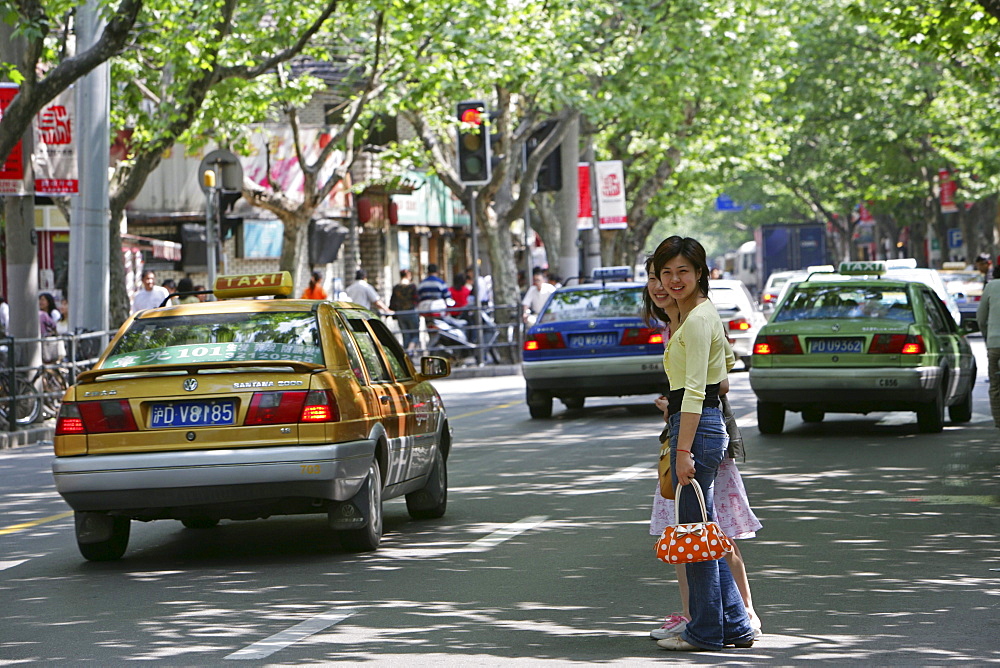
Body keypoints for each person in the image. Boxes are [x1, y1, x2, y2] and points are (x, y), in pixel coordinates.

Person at [642, 259, 762, 642]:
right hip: (700, 426)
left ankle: (707, 630)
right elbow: (725, 364)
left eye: (681, 273)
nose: (671, 282)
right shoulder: (698, 314)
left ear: (699, 275)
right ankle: (737, 625)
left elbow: (698, 391)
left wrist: (682, 452)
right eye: (664, 275)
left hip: (697, 430)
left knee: (696, 536)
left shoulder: (695, 320)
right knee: (703, 534)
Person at [977, 263, 1000, 428]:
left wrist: (987, 337)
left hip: (995, 344)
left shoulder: (991, 287)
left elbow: (981, 318)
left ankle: (998, 421)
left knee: (995, 385)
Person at [390, 269, 420, 351]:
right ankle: (410, 351)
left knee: (405, 336)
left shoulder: (396, 287)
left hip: (400, 314)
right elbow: (416, 300)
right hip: (411, 312)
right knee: (415, 335)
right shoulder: (412, 286)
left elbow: (392, 302)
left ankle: (407, 355)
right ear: (408, 275)